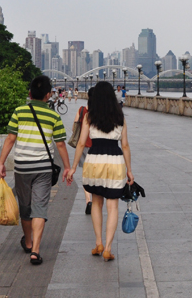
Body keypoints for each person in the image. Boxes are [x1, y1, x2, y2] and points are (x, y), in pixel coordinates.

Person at [0, 76, 70, 265]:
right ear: (48, 95)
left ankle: (28, 241)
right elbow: (61, 144)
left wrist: (2, 162)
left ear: (29, 94)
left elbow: (10, 139)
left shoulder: (19, 111)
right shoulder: (53, 116)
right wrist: (67, 167)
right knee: (40, 207)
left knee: (25, 206)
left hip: (22, 167)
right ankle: (36, 251)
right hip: (43, 168)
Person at [65, 82, 133, 262]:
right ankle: (108, 249)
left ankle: (98, 243)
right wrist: (130, 171)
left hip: (94, 160)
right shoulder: (120, 118)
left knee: (96, 203)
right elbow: (125, 145)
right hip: (115, 162)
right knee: (113, 207)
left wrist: (72, 168)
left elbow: (80, 143)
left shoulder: (89, 117)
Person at [73, 104, 95, 213]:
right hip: (97, 148)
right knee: (95, 174)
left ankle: (88, 200)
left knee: (86, 174)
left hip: (84, 146)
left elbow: (74, 126)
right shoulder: (100, 110)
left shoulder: (82, 110)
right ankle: (96, 200)